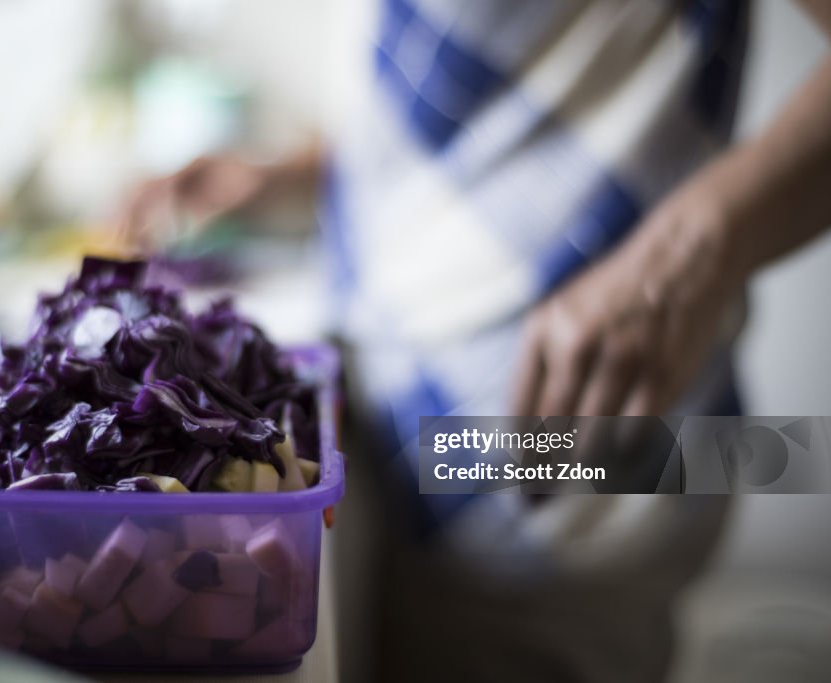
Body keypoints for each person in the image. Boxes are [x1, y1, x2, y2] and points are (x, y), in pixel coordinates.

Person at [122, 1, 831, 681]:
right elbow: (491, 105)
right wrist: (288, 174)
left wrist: (686, 255)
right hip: (419, 451)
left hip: (577, 461)